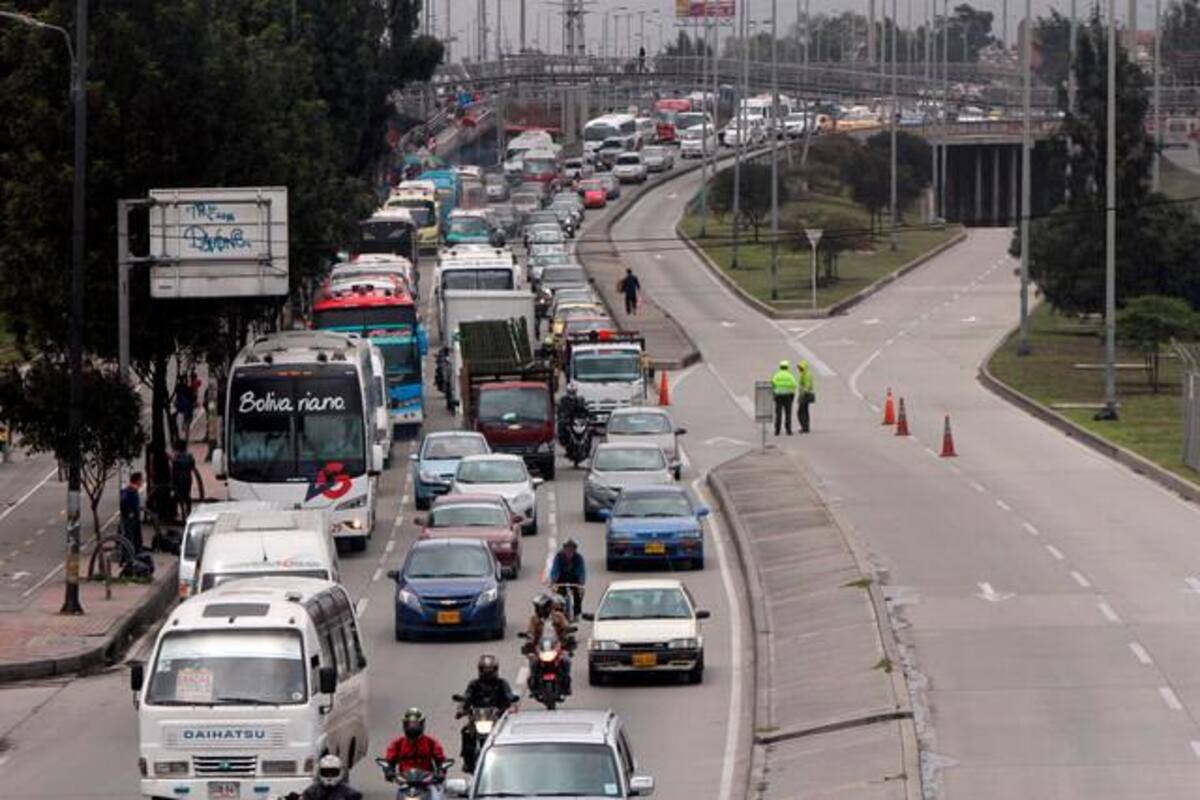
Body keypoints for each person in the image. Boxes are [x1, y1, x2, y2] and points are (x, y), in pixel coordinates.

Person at [457, 654, 518, 768]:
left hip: (498, 718)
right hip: (477, 717)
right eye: (484, 671)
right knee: (466, 731)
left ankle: (509, 757)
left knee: (508, 733)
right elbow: (467, 697)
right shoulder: (474, 684)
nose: (487, 674)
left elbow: (509, 696)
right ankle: (467, 760)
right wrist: (461, 709)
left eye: (490, 671)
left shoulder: (502, 683)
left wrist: (511, 702)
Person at [383, 708, 448, 792]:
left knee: (437, 793)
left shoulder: (430, 742)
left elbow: (441, 760)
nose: (412, 727)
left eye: (415, 724)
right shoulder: (398, 743)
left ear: (421, 725)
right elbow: (389, 761)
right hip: (405, 782)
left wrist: (441, 772)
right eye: (410, 724)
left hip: (427, 783)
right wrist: (389, 771)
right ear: (405, 725)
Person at [524, 594, 573, 695]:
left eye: (539, 607)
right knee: (533, 662)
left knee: (566, 660)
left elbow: (566, 627)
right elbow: (530, 631)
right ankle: (534, 683)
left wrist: (567, 633)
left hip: (556, 645)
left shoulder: (559, 616)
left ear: (547, 607)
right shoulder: (534, 619)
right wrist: (529, 639)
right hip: (540, 646)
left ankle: (566, 684)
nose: (538, 610)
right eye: (537, 607)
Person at [549, 538, 586, 620]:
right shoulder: (558, 557)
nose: (569, 552)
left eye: (571, 550)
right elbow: (555, 570)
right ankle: (560, 613)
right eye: (567, 549)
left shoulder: (579, 558)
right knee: (559, 596)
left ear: (574, 550)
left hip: (574, 580)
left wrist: (581, 584)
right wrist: (553, 583)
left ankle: (577, 613)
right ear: (564, 549)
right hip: (561, 580)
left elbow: (581, 572)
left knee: (578, 594)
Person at [297, 754, 362, 800]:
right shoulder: (312, 791)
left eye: (333, 772)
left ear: (340, 772)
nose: (330, 775)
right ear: (320, 772)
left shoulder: (350, 793)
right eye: (326, 772)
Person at [771, 360, 798, 436]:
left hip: (778, 396)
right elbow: (794, 385)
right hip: (787, 396)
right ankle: (788, 430)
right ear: (787, 367)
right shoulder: (790, 376)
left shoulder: (777, 375)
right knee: (788, 413)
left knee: (778, 414)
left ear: (780, 367)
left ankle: (777, 431)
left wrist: (774, 392)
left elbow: (772, 383)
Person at [119, 472, 144, 555]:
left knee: (133, 537)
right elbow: (124, 504)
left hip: (133, 518)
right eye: (141, 480)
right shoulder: (130, 492)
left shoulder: (130, 491)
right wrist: (130, 513)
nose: (142, 482)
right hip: (130, 520)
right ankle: (130, 554)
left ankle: (133, 552)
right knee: (130, 537)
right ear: (138, 481)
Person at [171, 440, 196, 522]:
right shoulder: (189, 456)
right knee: (186, 495)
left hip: (178, 479)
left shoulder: (176, 458)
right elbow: (192, 466)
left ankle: (175, 512)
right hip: (187, 478)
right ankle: (188, 511)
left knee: (177, 496)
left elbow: (174, 468)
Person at [796, 360, 815, 434]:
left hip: (805, 395)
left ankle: (804, 427)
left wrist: (803, 393)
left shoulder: (806, 375)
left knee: (801, 412)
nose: (799, 369)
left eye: (800, 368)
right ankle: (805, 427)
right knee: (805, 411)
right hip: (806, 394)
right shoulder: (804, 374)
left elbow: (807, 385)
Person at [174, 374, 195, 439]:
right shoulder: (183, 388)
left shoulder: (182, 388)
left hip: (183, 406)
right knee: (186, 420)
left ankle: (184, 435)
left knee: (185, 420)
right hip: (184, 406)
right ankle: (184, 435)